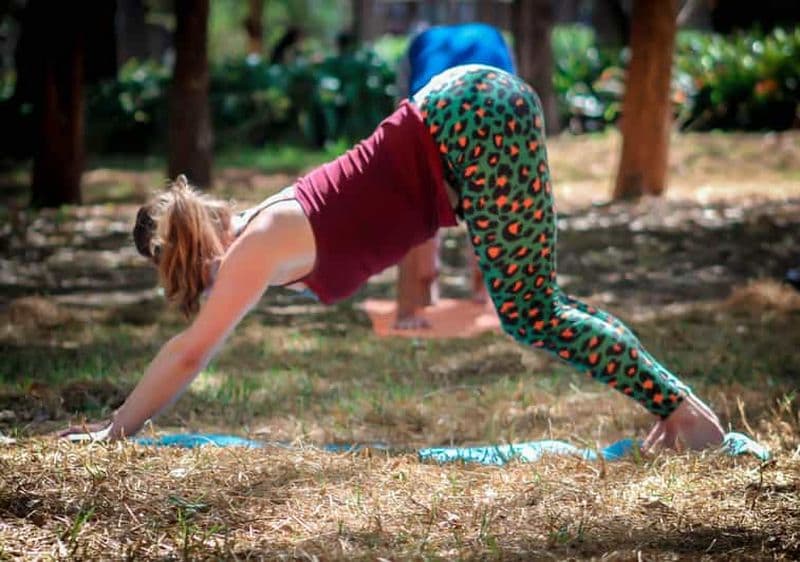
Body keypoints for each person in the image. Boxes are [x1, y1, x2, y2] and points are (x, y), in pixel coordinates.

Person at [60, 65, 724, 452]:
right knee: (542, 302)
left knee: (530, 313)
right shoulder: (263, 222)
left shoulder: (254, 248)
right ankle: (676, 409)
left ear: (179, 255)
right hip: (467, 112)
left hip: (466, 126)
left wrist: (118, 428)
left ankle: (687, 416)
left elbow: (188, 351)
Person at [393, 22, 517, 329]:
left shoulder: (420, 42)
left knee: (422, 205)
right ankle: (482, 291)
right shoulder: (493, 36)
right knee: (488, 202)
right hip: (490, 108)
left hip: (435, 110)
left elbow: (400, 103)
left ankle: (412, 305)